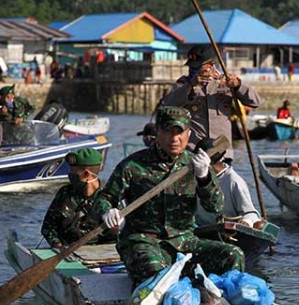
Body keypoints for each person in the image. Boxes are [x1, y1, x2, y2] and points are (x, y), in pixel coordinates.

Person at [89, 106, 245, 285]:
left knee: (233, 255)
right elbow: (104, 198)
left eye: (179, 132)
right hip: (144, 243)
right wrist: (107, 211)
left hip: (184, 241)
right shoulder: (132, 165)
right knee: (158, 274)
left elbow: (215, 208)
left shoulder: (196, 164)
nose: (174, 139)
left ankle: (224, 303)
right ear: (158, 132)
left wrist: (204, 178)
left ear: (188, 133)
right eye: (168, 132)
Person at [162, 45, 261, 162]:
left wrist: (238, 86)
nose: (194, 70)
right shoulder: (184, 83)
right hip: (194, 152)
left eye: (199, 66)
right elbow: (168, 105)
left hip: (222, 152)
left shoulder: (226, 82)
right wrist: (190, 86)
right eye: (192, 67)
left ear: (211, 65)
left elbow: (255, 102)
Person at [41, 148, 113, 249]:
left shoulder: (110, 196)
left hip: (100, 254)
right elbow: (48, 227)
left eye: (73, 172)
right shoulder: (65, 193)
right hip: (65, 254)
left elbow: (118, 234)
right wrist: (58, 245)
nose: (70, 175)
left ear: (87, 174)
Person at [196, 156, 264, 229]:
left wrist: (246, 221)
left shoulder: (234, 182)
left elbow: (250, 213)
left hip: (228, 232)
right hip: (200, 229)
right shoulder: (194, 178)